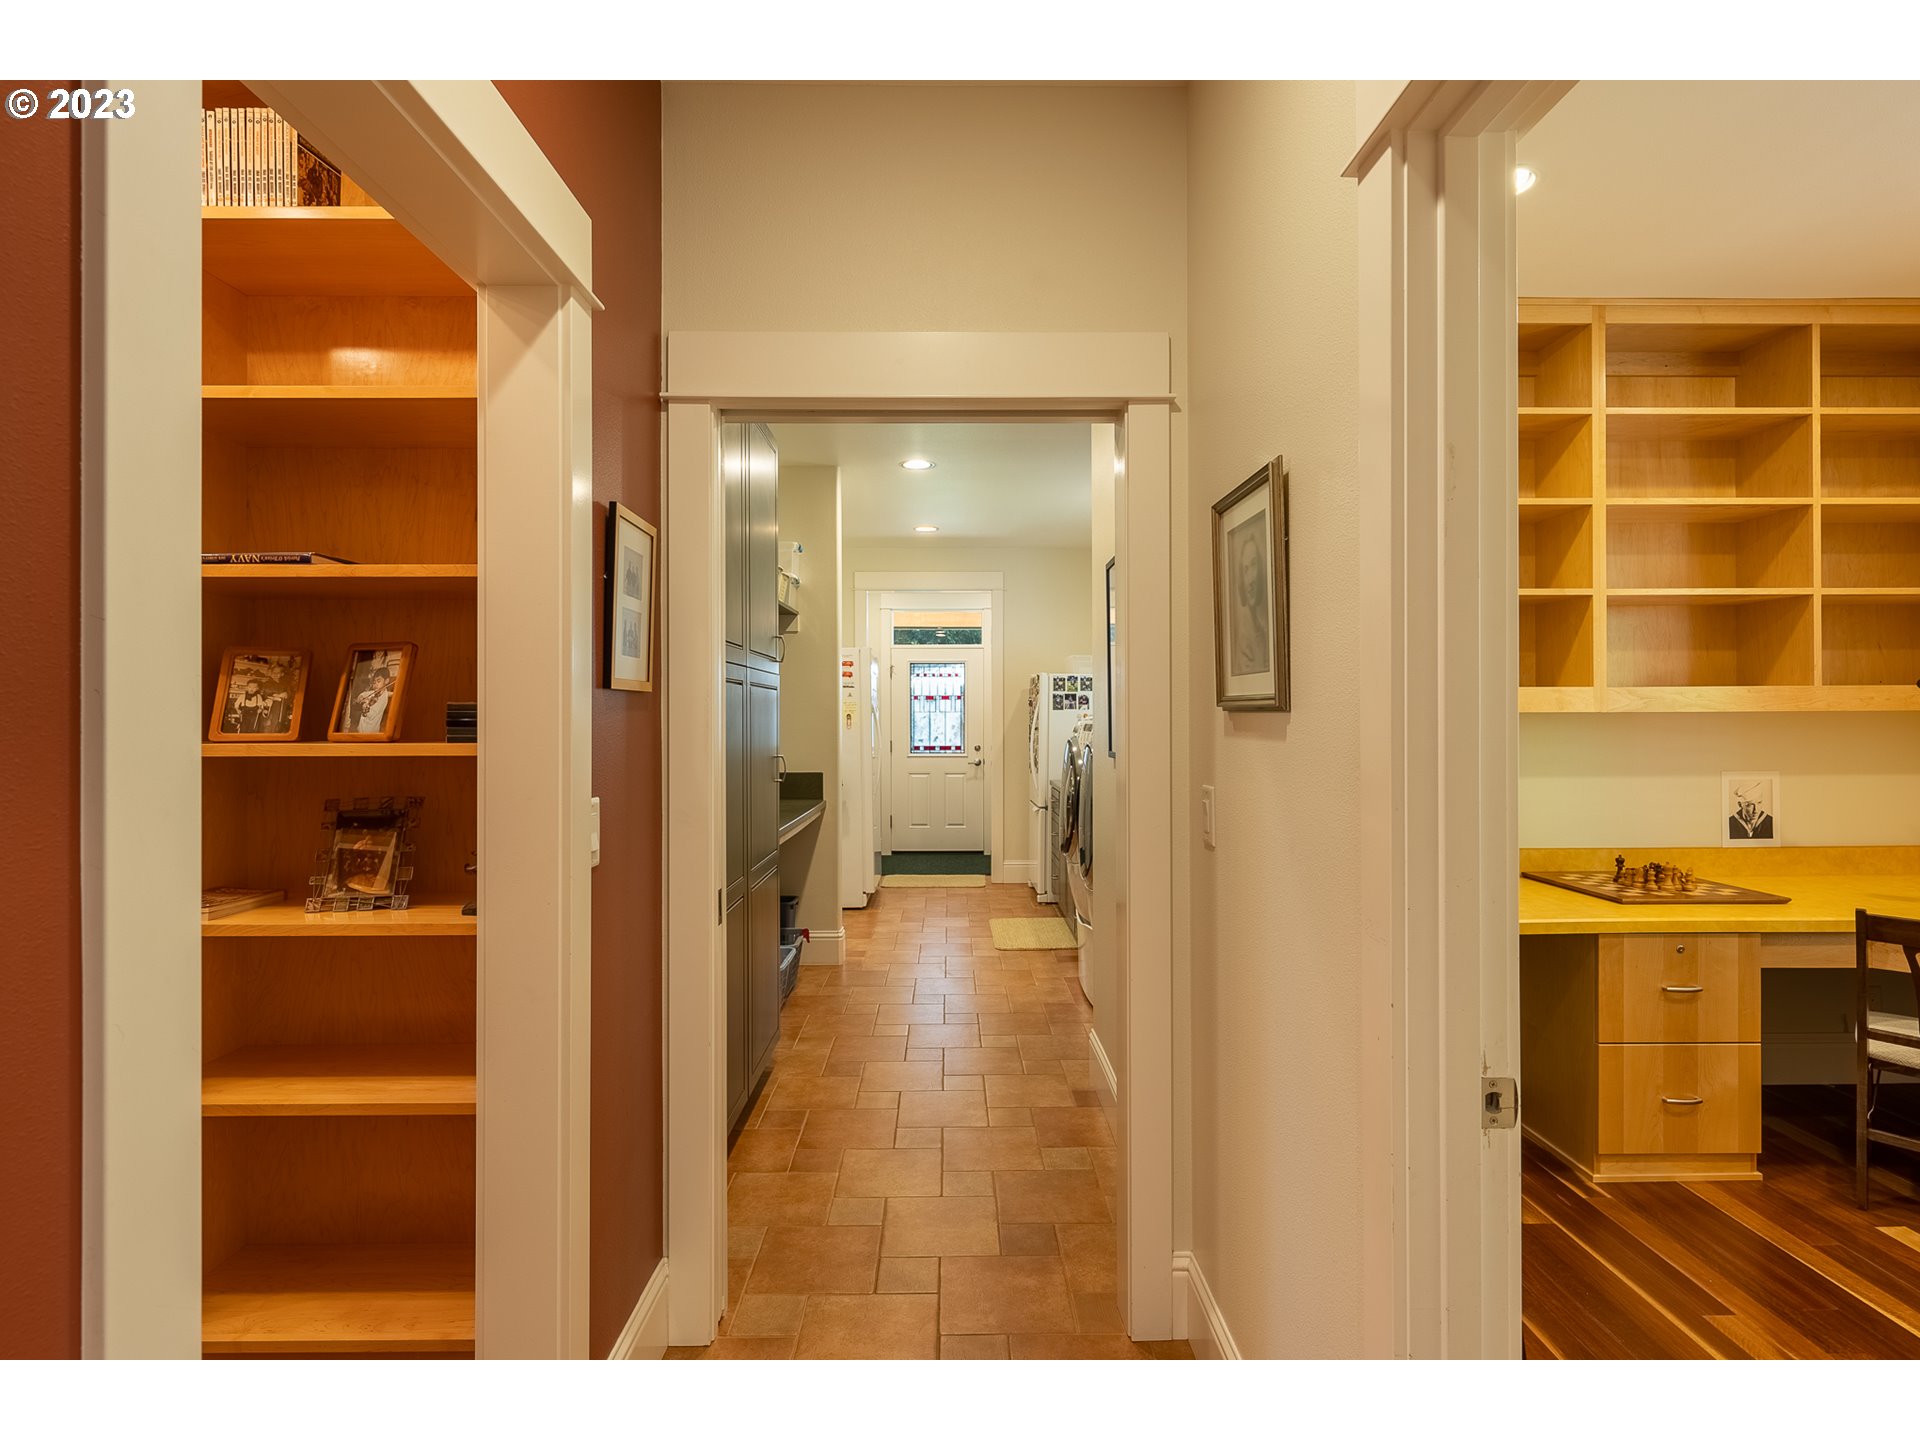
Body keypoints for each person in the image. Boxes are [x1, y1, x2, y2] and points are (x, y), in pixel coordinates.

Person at [1229, 517, 1269, 676]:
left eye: (1253, 565)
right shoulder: (1244, 636)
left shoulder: (1265, 624)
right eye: (1245, 569)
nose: (1250, 580)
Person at [349, 664, 394, 734]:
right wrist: (361, 698)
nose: (375, 684)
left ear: (386, 681)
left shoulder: (383, 698)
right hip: (361, 728)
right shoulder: (374, 692)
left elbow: (371, 714)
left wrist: (365, 705)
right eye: (374, 682)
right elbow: (363, 694)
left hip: (371, 731)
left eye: (378, 681)